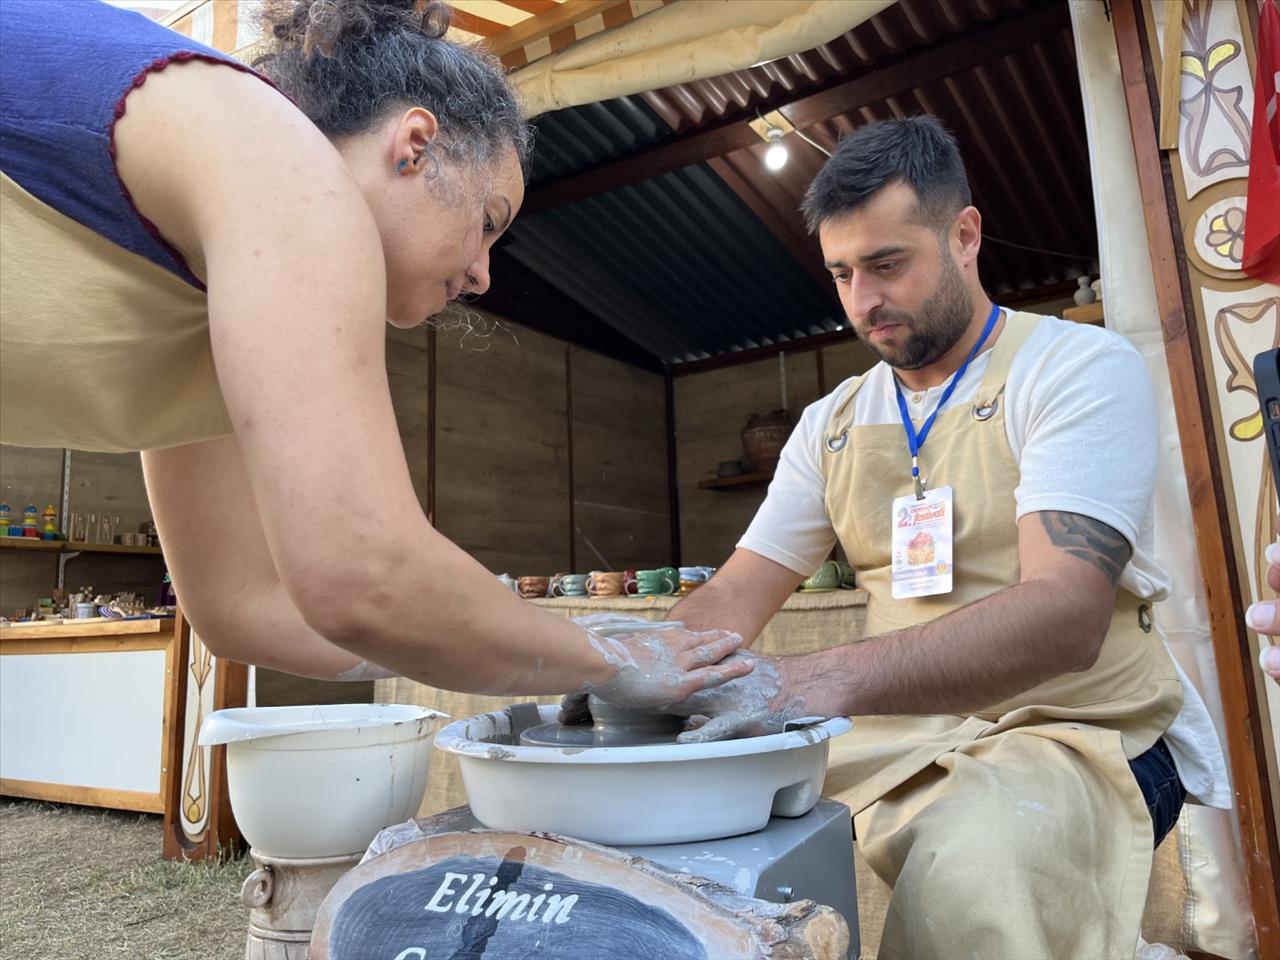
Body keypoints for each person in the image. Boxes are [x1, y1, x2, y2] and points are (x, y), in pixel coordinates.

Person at [0, 0, 752, 709]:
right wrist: (603, 659)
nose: (485, 273)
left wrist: (536, 644)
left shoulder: (230, 291)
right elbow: (365, 577)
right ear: (415, 147)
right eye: (489, 222)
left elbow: (240, 605)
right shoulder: (282, 158)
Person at [613, 116, 1232, 957]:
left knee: (971, 870)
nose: (864, 300)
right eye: (841, 273)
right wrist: (628, 674)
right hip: (898, 728)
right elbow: (738, 590)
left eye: (887, 263)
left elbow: (1066, 613)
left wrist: (807, 681)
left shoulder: (1075, 368)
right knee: (670, 826)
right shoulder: (830, 424)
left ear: (965, 234)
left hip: (1078, 731)